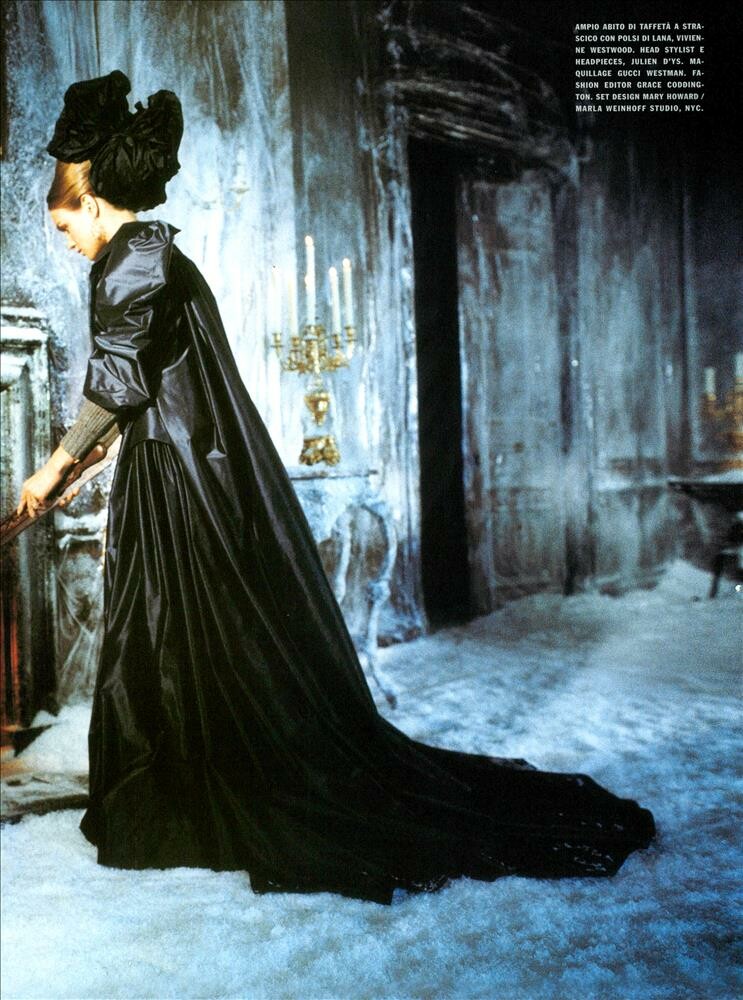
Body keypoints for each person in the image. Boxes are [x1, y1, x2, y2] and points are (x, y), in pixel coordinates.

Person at [16, 71, 656, 905]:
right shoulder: (154, 251)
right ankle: (183, 778)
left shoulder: (130, 257)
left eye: (63, 222)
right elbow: (146, 389)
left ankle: (182, 790)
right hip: (180, 464)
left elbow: (114, 384)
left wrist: (51, 466)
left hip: (181, 479)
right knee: (178, 636)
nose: (64, 238)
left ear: (91, 200)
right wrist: (85, 468)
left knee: (172, 631)